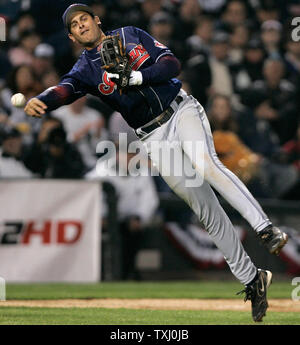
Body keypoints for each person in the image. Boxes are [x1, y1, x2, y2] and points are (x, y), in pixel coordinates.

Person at [24, 3, 288, 322]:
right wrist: (44, 100)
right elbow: (64, 89)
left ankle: (264, 227)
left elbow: (171, 64)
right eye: (75, 25)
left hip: (180, 111)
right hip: (151, 136)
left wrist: (135, 77)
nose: (81, 25)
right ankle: (252, 279)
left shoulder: (130, 35)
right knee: (203, 207)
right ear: (72, 36)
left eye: (84, 19)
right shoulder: (85, 70)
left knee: (206, 164)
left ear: (96, 20)